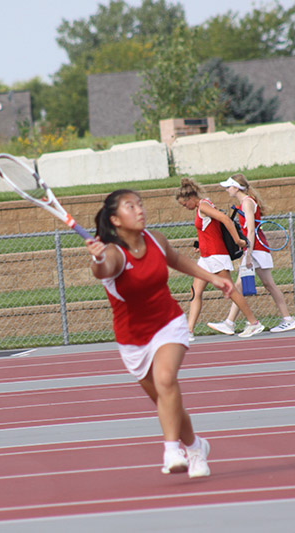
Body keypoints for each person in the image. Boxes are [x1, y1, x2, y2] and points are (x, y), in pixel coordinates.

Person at [84, 189, 234, 479]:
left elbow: (177, 260)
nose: (139, 210)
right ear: (115, 219)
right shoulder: (113, 253)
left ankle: (171, 450)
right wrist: (98, 260)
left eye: (140, 204)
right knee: (167, 400)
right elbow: (103, 271)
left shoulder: (156, 239)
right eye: (130, 206)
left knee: (166, 380)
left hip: (168, 323)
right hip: (132, 339)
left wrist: (214, 278)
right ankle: (194, 447)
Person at [175, 178, 265, 340]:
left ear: (190, 198)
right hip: (206, 256)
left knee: (231, 291)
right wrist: (199, 244)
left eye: (184, 204)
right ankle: (188, 331)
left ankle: (253, 322)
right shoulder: (203, 205)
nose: (185, 207)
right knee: (195, 291)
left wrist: (238, 240)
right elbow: (210, 230)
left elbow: (225, 219)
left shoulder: (203, 206)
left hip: (215, 255)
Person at [212, 173, 295, 334]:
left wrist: (248, 254)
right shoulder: (247, 202)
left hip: (256, 249)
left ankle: (287, 319)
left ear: (236, 187)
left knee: (253, 285)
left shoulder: (247, 203)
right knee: (254, 285)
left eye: (228, 187)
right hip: (255, 249)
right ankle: (230, 323)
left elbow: (251, 230)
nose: (226, 190)